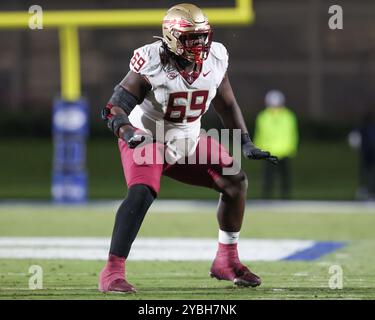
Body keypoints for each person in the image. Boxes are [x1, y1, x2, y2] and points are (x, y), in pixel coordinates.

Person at [98, 3, 278, 293]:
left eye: (202, 36)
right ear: (170, 37)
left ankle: (226, 261)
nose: (200, 44)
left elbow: (226, 103)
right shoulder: (152, 61)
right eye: (191, 38)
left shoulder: (216, 58)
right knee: (141, 193)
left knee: (235, 182)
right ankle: (112, 272)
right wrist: (127, 131)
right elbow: (114, 107)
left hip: (188, 138)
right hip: (147, 136)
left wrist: (245, 141)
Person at [254, 90, 299, 199]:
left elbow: (292, 134)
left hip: (284, 151)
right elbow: (260, 134)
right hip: (269, 151)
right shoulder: (264, 116)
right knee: (268, 178)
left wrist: (292, 148)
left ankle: (285, 198)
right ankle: (267, 198)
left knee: (284, 178)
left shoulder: (288, 116)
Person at [348, 110, 375, 200]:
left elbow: (354, 139)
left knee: (365, 172)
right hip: (369, 153)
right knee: (368, 172)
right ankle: (368, 191)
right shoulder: (369, 127)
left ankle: (366, 190)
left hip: (366, 153)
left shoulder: (361, 127)